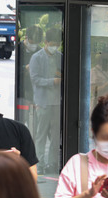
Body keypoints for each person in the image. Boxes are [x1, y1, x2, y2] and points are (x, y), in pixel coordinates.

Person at [29, 28, 63, 175]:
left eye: (57, 44)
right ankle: (40, 164)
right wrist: (53, 82)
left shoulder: (60, 56)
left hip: (57, 102)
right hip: (42, 102)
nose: (55, 46)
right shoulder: (36, 58)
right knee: (41, 134)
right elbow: (35, 79)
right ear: (46, 42)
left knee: (56, 135)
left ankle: (53, 163)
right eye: (53, 43)